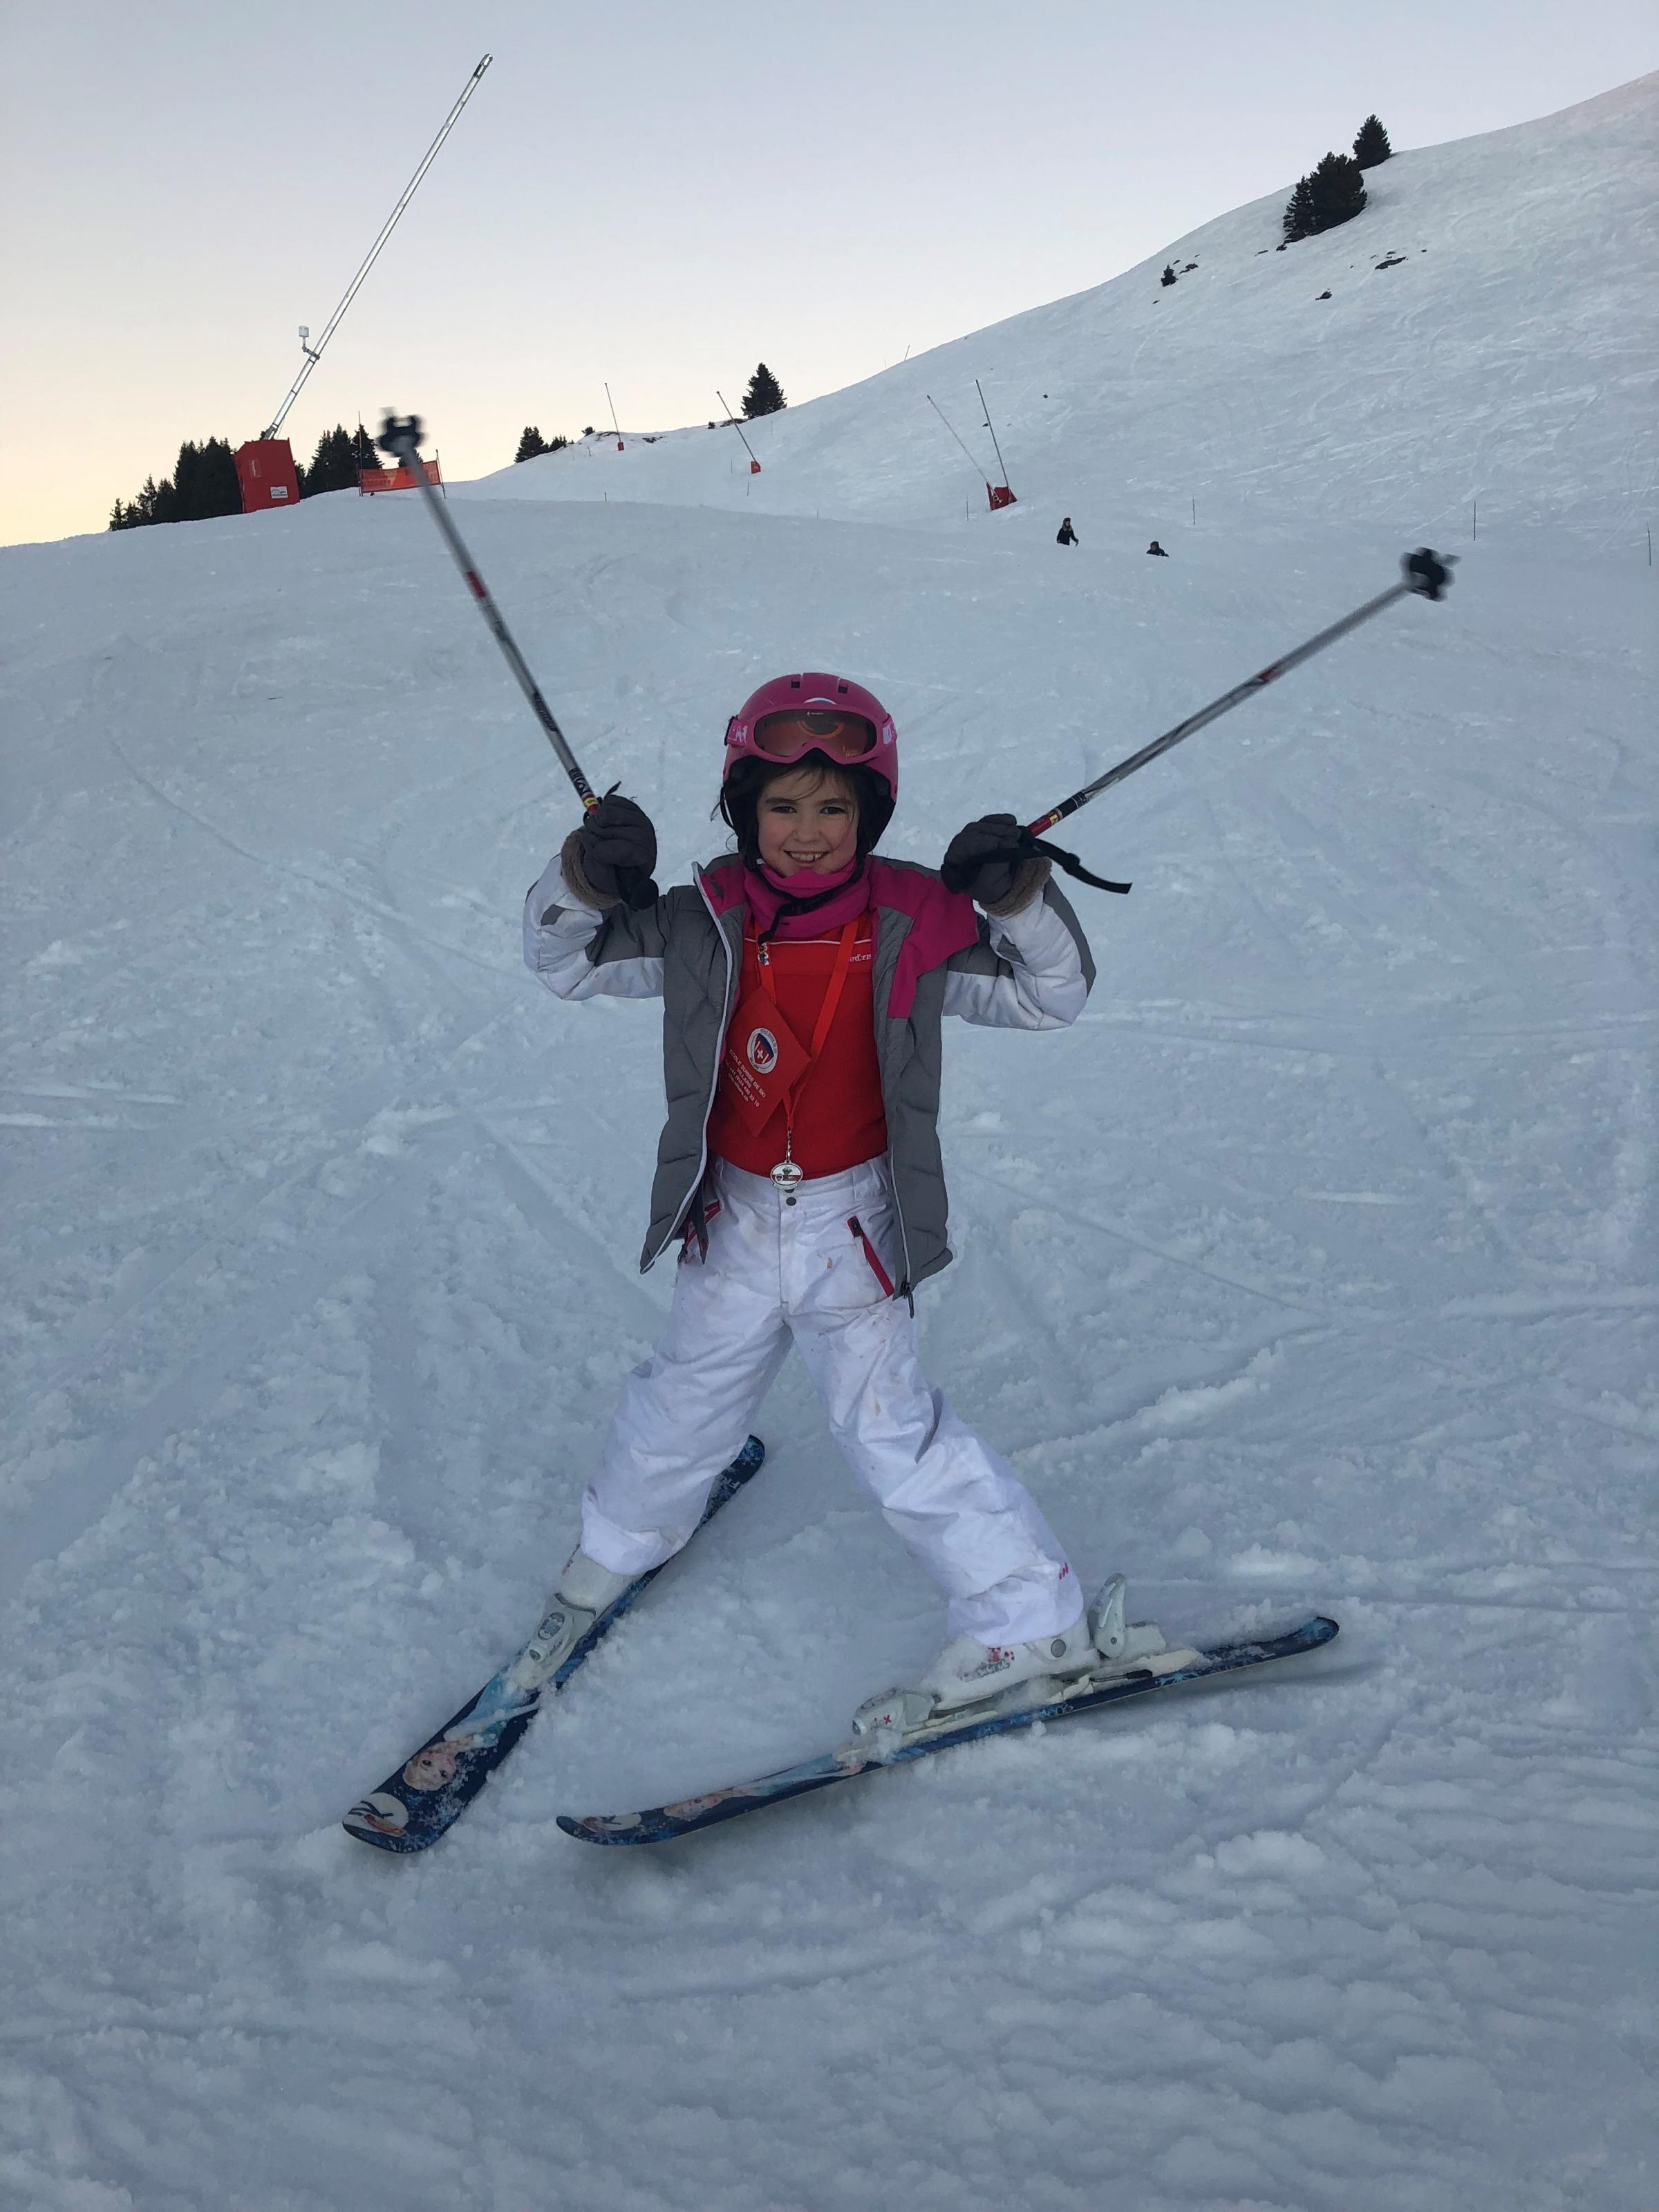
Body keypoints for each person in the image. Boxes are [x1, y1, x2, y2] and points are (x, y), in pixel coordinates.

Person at [522, 673, 1107, 1735]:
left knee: (890, 1430)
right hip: (732, 1219)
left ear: (871, 814)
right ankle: (613, 1552)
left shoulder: (915, 921)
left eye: (835, 808)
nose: (805, 834)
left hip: (854, 1228)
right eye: (782, 806)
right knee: (685, 1397)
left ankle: (1032, 1615)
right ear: (743, 809)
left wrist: (1018, 897)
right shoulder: (702, 921)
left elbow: (1047, 993)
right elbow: (563, 961)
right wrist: (584, 877)